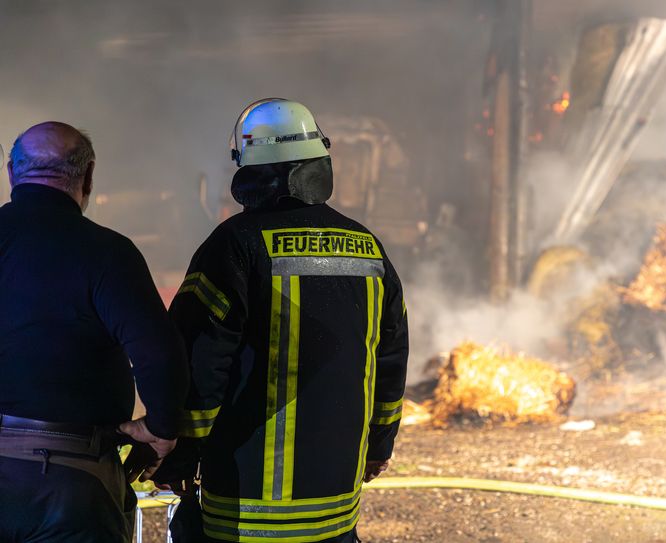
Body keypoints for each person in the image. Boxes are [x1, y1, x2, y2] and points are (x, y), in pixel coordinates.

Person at [154, 99, 410, 543]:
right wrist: (379, 443)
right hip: (336, 511)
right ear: (319, 161)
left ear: (248, 168)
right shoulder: (367, 246)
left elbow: (200, 359)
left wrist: (180, 452)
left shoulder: (235, 245)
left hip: (245, 512)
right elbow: (390, 357)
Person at [0, 121, 189, 542]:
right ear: (87, 177)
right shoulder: (108, 252)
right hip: (71, 482)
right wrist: (160, 428)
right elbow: (159, 355)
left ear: (12, 173)